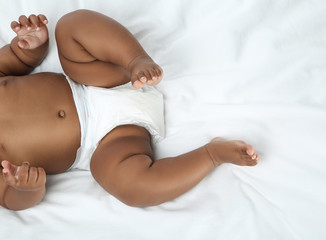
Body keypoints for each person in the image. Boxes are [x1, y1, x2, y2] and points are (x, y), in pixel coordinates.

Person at [0, 10, 259, 211]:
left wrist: (32, 43)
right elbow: (10, 198)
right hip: (105, 141)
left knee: (71, 26)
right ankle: (211, 155)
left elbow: (19, 59)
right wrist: (25, 188)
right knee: (128, 186)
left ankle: (136, 58)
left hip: (99, 80)